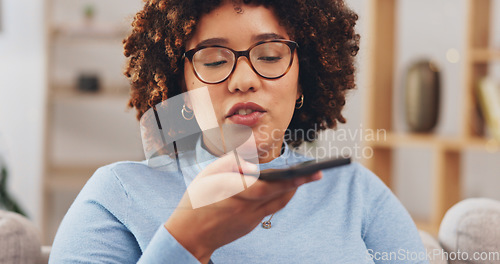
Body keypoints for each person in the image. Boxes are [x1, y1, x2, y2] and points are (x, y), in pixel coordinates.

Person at [50, 0, 428, 263]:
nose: (244, 80)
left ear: (303, 80)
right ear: (181, 90)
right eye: (214, 60)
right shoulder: (117, 195)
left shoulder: (356, 192)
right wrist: (188, 240)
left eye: (269, 56)